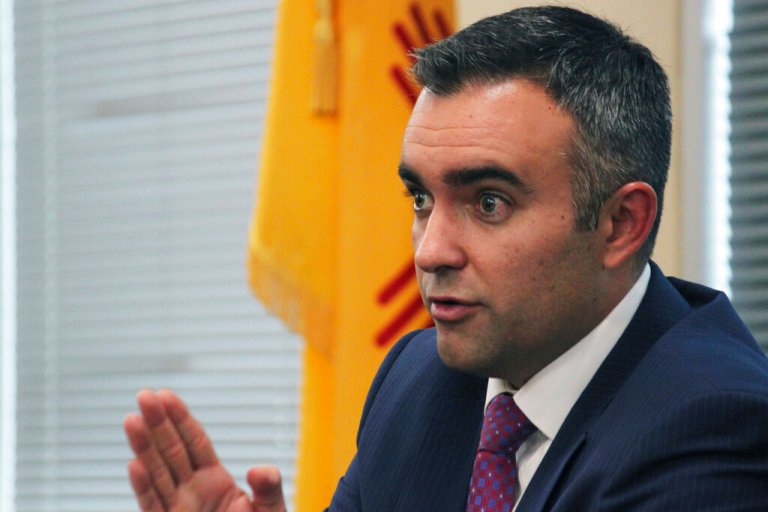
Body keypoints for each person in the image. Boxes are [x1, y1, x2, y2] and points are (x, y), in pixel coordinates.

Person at [124, 5, 768, 511]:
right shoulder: (417, 380)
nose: (430, 252)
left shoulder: (717, 423)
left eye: (489, 203)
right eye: (420, 198)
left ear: (621, 223)